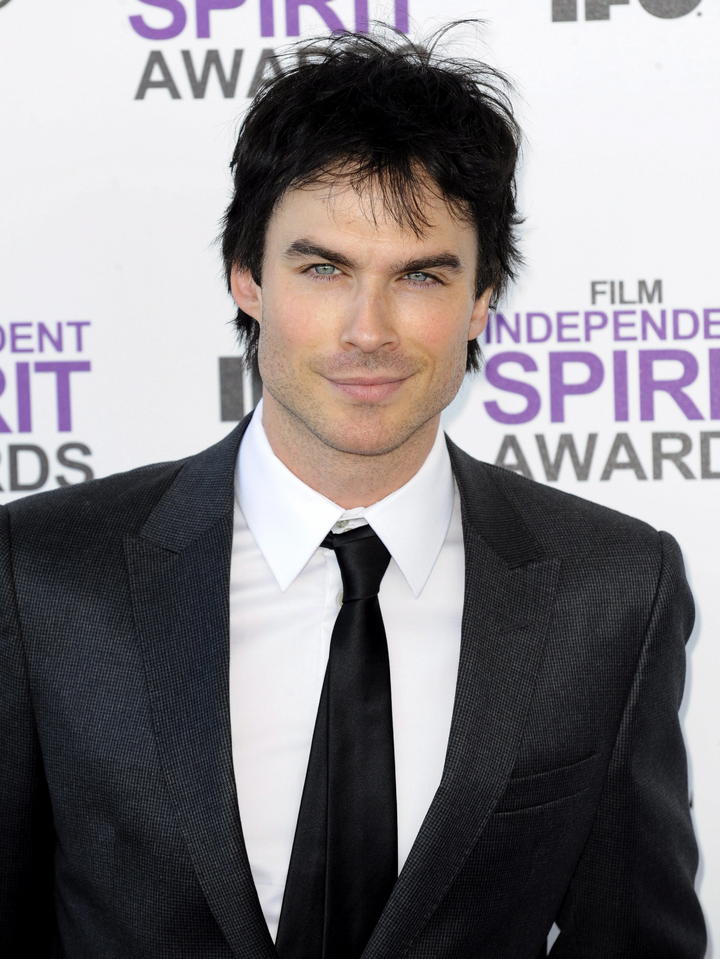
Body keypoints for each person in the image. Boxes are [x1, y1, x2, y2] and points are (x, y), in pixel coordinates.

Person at [0, 26, 706, 959]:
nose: (368, 330)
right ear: (247, 277)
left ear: (482, 299)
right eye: (324, 268)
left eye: (420, 275)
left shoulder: (611, 589)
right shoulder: (42, 575)